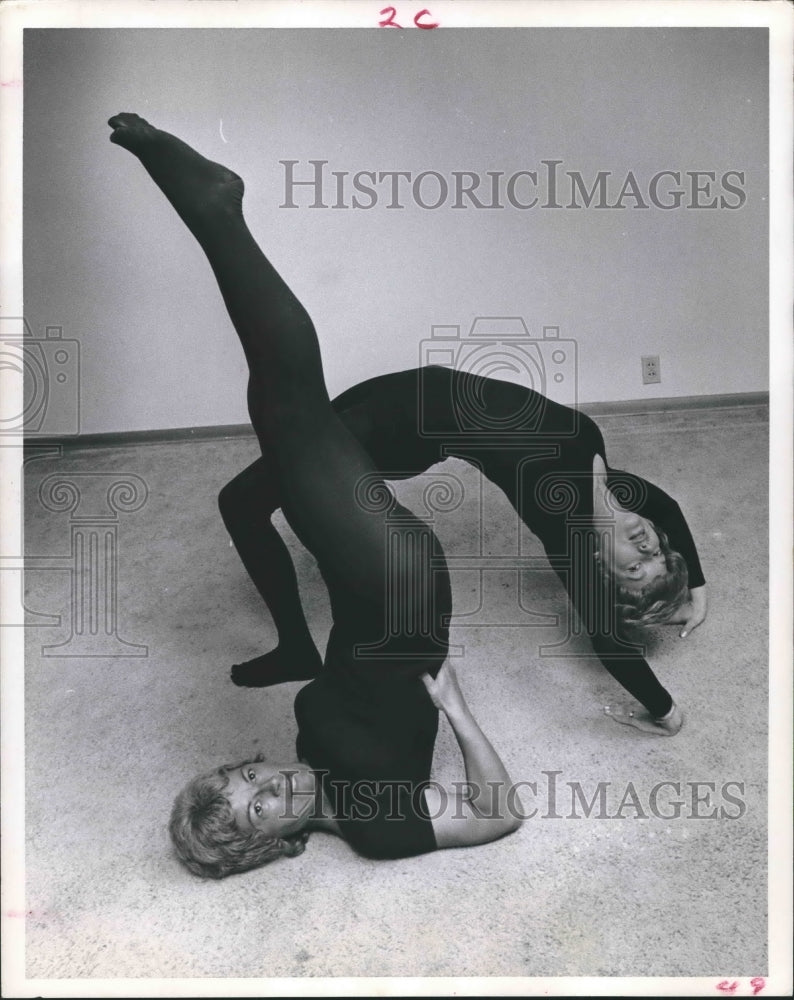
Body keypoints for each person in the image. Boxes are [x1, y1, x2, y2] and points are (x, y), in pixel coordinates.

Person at [108, 113, 522, 878]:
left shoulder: (315, 766)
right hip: (397, 589)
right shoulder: (374, 826)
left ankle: (216, 211)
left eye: (246, 777)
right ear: (277, 844)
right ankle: (216, 209)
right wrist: (459, 713)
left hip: (361, 595)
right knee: (291, 404)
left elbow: (351, 692)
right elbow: (500, 816)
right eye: (260, 808)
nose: (270, 783)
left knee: (284, 414)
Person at [220, 365, 707, 733]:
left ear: (599, 569)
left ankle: (296, 648)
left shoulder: (565, 526)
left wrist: (665, 712)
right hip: (406, 391)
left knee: (241, 500)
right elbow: (670, 508)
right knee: (292, 464)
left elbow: (609, 641)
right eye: (661, 554)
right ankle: (321, 552)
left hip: (389, 430)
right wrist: (696, 590)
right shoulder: (615, 488)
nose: (649, 546)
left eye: (638, 568)